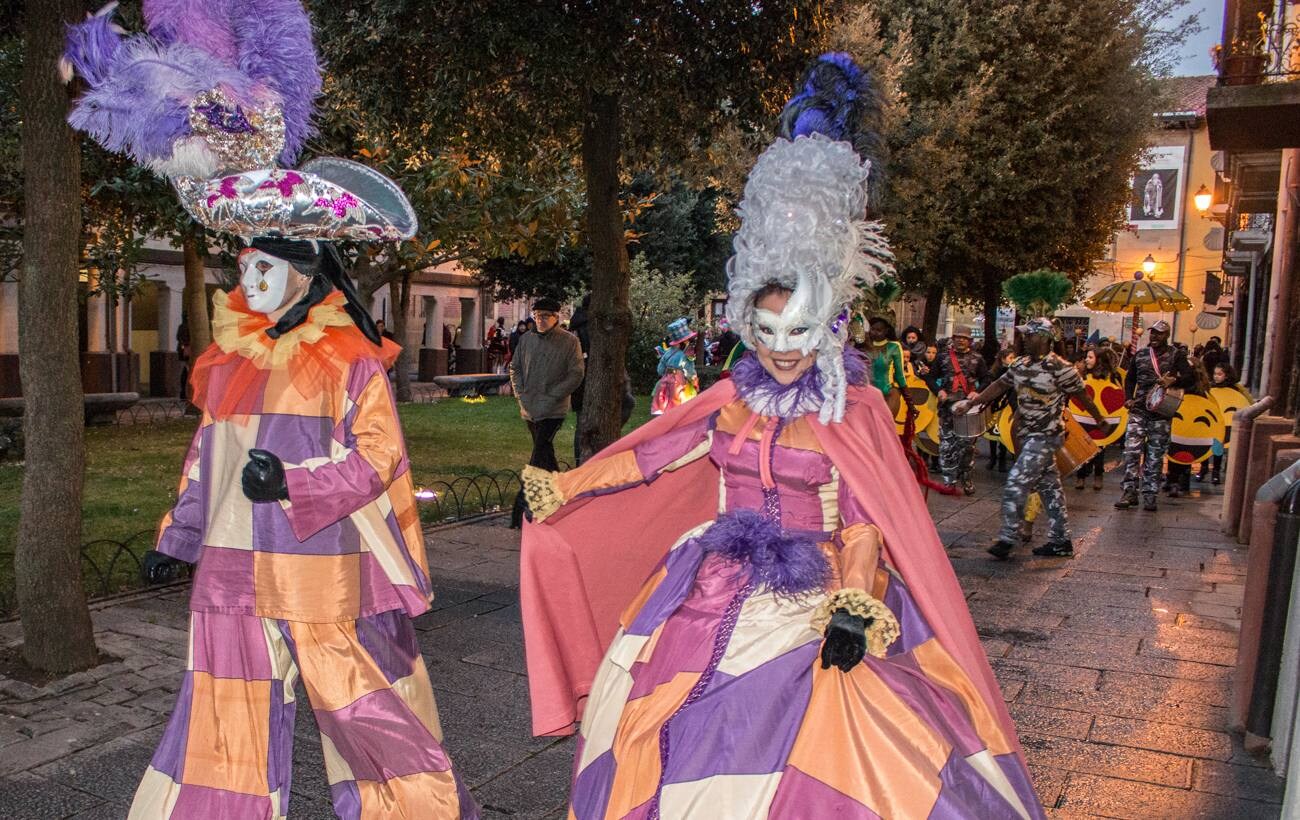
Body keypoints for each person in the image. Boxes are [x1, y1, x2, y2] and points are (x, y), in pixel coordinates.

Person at [518, 53, 1044, 819]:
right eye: (766, 331)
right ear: (746, 325)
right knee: (658, 721)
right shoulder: (730, 397)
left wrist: (853, 607)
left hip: (815, 596)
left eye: (799, 330)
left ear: (831, 325)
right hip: (709, 583)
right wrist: (565, 486)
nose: (783, 347)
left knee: (827, 747)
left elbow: (866, 527)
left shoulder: (852, 414)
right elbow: (650, 456)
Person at [62, 4, 479, 814]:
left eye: (262, 269)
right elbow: (203, 463)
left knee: (369, 720)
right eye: (242, 267)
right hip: (229, 573)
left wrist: (291, 483)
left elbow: (379, 461)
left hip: (323, 576)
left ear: (306, 273)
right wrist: (175, 541)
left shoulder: (352, 360)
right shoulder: (230, 361)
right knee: (225, 725)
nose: (244, 283)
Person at [957, 319, 1109, 559]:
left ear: (1045, 338)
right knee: (1051, 488)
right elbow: (998, 386)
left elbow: (1083, 396)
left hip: (1046, 436)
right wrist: (971, 403)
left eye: (1030, 336)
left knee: (1016, 482)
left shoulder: (1061, 368)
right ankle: (1061, 541)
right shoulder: (1020, 364)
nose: (1025, 340)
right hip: (1027, 435)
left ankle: (1008, 537)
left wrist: (1100, 420)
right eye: (1025, 336)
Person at [508, 297, 584, 527]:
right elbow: (515, 367)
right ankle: (559, 501)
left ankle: (522, 507)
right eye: (537, 315)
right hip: (530, 408)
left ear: (556, 318)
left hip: (553, 409)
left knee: (539, 451)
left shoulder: (569, 342)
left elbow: (576, 373)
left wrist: (554, 394)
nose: (540, 320)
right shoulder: (526, 340)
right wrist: (520, 394)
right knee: (545, 456)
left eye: (545, 316)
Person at [1115, 320, 1195, 512]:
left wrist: (1174, 380)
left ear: (1166, 335)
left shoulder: (1176, 355)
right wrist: (1128, 398)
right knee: (1132, 451)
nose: (1154, 337)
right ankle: (1129, 491)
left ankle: (1150, 494)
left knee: (1155, 454)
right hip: (1139, 409)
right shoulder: (1141, 354)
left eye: (1159, 334)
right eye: (1152, 333)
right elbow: (1130, 378)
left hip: (1161, 411)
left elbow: (1191, 378)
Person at [936, 326, 989, 494]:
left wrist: (977, 392)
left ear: (969, 341)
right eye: (957, 337)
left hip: (968, 409)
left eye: (964, 338)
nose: (960, 340)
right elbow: (931, 376)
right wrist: (938, 390)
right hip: (947, 410)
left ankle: (966, 477)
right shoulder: (942, 357)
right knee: (946, 447)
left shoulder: (977, 358)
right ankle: (948, 481)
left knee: (967, 448)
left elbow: (987, 378)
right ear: (953, 338)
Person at [1074, 347, 1121, 490]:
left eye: (1090, 357)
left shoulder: (1112, 378)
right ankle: (1080, 476)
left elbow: (1119, 397)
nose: (1086, 360)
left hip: (1102, 418)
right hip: (1084, 418)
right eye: (1086, 357)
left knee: (1099, 447)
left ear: (1099, 360)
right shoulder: (1082, 376)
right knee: (1082, 447)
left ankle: (1098, 475)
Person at [1165, 356, 1212, 498]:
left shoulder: (1199, 387)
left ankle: (1178, 481)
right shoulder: (1180, 384)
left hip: (1191, 424)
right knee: (1176, 449)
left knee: (1184, 450)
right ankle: (1174, 480)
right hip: (1179, 422)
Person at [650, 317, 700, 415]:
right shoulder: (686, 355)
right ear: (685, 341)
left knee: (665, 405)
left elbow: (660, 370)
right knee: (680, 405)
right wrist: (695, 384)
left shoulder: (667, 353)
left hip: (665, 382)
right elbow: (690, 372)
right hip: (679, 383)